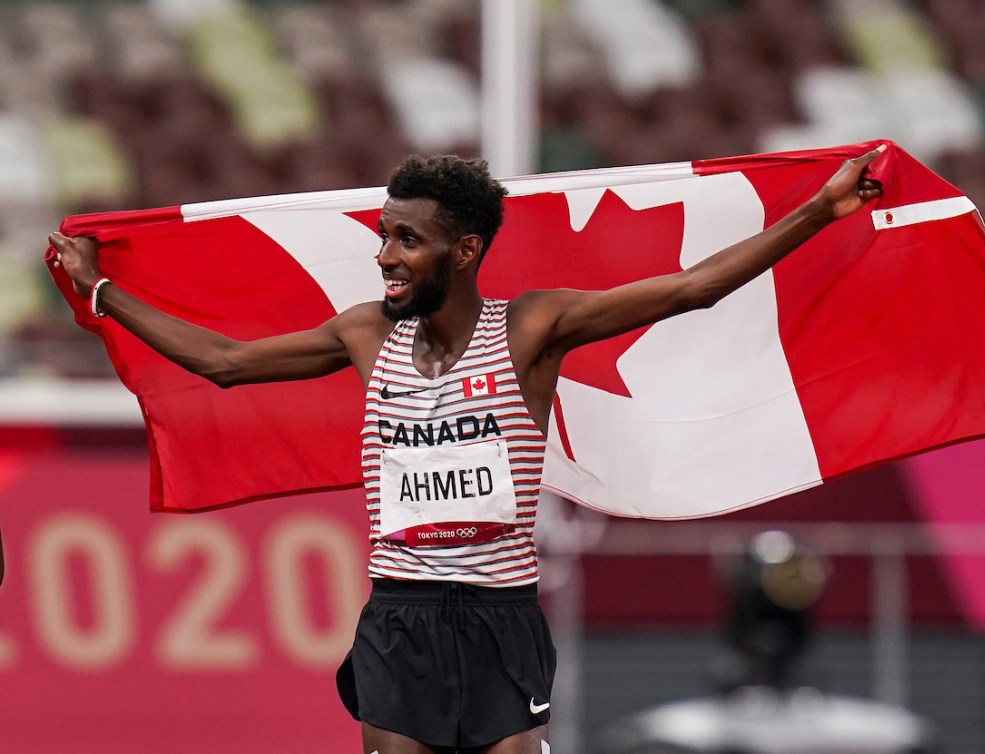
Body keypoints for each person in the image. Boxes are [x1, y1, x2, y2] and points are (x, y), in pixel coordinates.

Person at [48, 146, 884, 753]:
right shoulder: (365, 333)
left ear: (465, 249)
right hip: (399, 614)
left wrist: (817, 209)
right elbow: (222, 366)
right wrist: (101, 290)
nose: (385, 255)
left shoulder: (530, 327)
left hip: (501, 618)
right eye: (384, 236)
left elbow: (692, 289)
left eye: (407, 240)